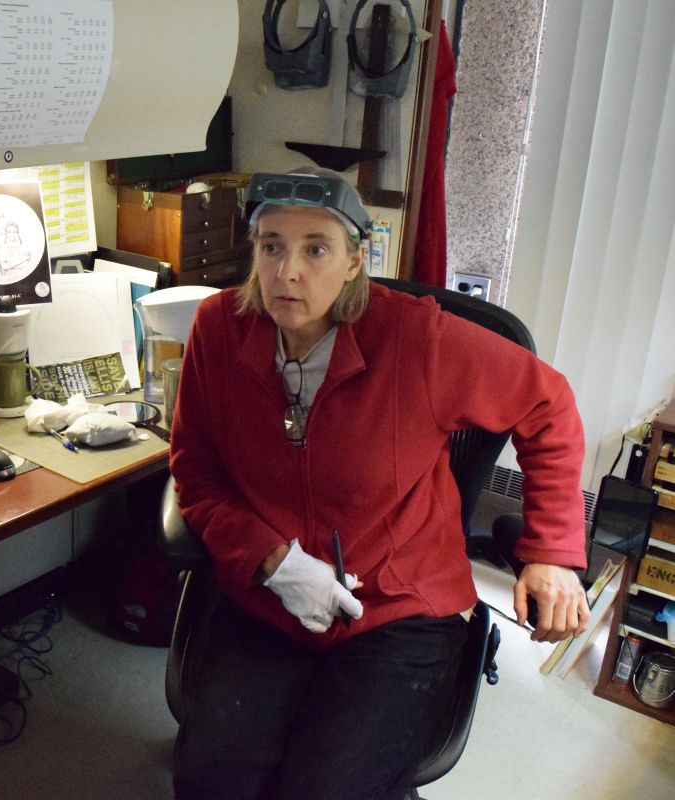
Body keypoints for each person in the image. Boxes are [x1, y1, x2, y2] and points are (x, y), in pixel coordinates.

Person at [167, 167, 590, 800]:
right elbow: (196, 473)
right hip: (270, 597)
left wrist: (552, 552)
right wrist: (273, 562)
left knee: (326, 787)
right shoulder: (217, 330)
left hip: (397, 604)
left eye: (316, 248)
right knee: (209, 780)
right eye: (271, 245)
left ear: (356, 260)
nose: (287, 271)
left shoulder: (416, 338)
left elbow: (546, 403)